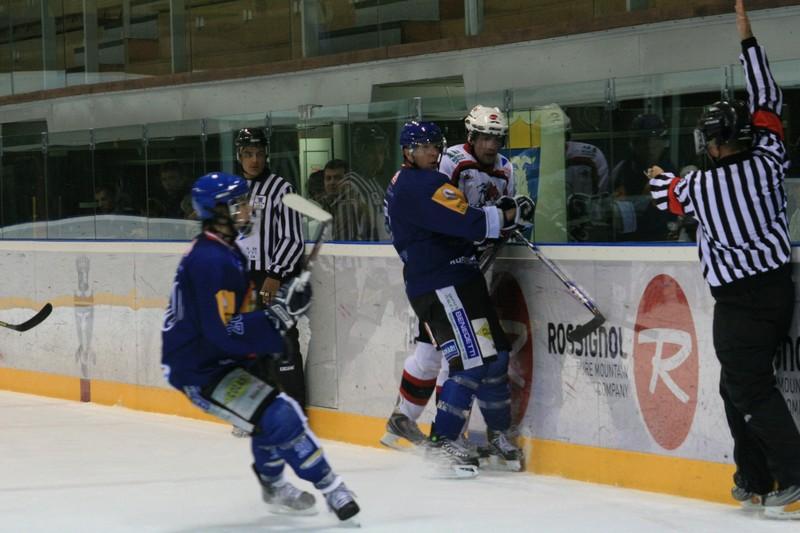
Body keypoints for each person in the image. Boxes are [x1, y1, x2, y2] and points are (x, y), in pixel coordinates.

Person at [648, 0, 800, 520]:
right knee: (735, 383)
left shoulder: (698, 187)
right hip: (777, 291)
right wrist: (748, 42)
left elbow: (665, 195)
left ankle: (793, 475)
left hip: (738, 304)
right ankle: (754, 477)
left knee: (748, 385)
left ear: (713, 144)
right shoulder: (769, 160)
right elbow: (768, 100)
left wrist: (658, 176)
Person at [160, 171, 359, 522]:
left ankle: (274, 485)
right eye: (237, 204)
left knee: (271, 417)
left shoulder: (223, 249)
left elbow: (236, 313)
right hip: (202, 368)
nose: (248, 209)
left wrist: (279, 307)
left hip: (221, 356)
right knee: (280, 414)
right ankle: (332, 488)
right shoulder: (211, 261)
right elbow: (222, 330)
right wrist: (275, 318)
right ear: (217, 212)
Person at [384, 120, 534, 472]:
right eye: (424, 147)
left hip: (462, 278)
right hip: (441, 285)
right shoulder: (422, 184)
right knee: (469, 361)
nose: (433, 152)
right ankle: (443, 441)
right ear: (408, 151)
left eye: (436, 146)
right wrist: (511, 213)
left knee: (494, 357)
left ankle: (498, 435)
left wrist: (497, 218)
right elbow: (471, 223)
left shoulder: (415, 181)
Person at [234, 128, 307, 408]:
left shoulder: (281, 189)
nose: (254, 160)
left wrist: (275, 274)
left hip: (273, 277)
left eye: (259, 154)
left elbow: (293, 238)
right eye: (248, 154)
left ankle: (294, 411)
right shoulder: (233, 191)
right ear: (239, 156)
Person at [608, 113, 679, 241]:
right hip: (626, 241)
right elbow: (609, 208)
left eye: (655, 139)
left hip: (662, 240)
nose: (649, 146)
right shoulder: (622, 170)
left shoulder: (672, 173)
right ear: (634, 143)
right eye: (643, 140)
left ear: (664, 142)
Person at [332, 125, 390, 241]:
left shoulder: (375, 184)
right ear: (360, 151)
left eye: (381, 152)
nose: (378, 158)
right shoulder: (349, 187)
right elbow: (343, 240)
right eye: (373, 152)